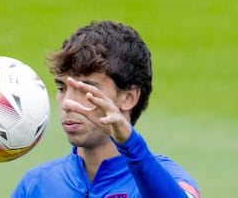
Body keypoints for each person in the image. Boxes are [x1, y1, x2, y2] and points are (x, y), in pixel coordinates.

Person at [11, 20, 200, 198]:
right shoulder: (36, 184)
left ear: (128, 98)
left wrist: (130, 144)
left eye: (86, 90)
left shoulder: (169, 179)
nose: (67, 103)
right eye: (62, 88)